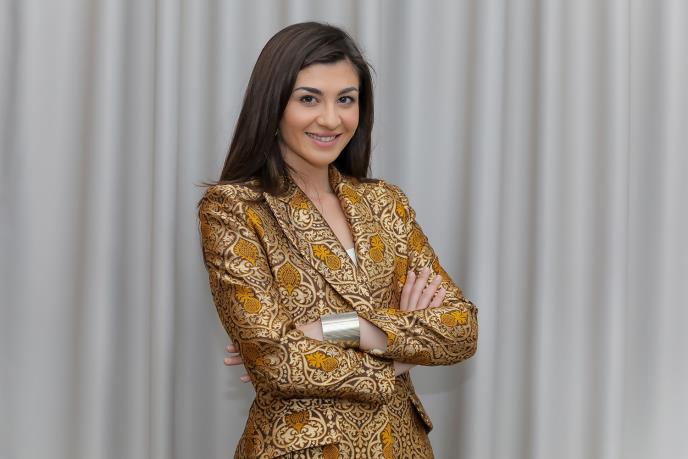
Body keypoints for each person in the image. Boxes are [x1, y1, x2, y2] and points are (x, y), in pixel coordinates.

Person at [198, 21, 478, 459]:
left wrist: (347, 328)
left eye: (346, 99)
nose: (331, 119)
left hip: (401, 446)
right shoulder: (234, 208)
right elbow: (275, 361)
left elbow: (461, 329)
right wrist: (402, 354)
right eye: (309, 99)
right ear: (273, 104)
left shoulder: (385, 203)